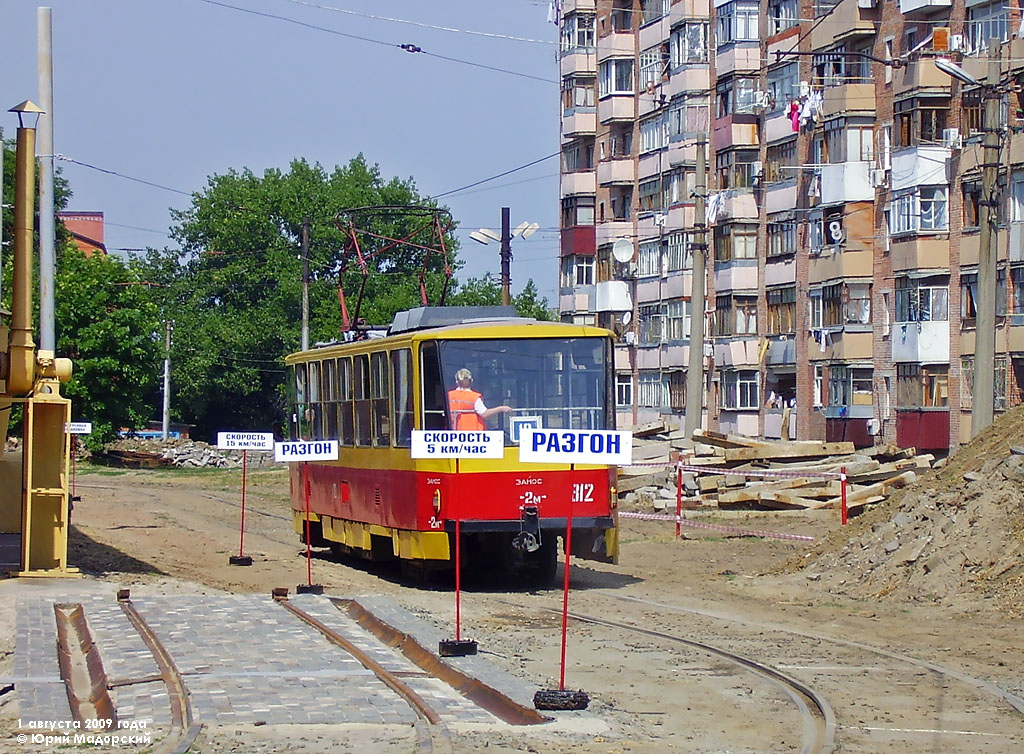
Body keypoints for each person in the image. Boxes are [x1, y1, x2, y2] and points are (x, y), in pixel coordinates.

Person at [447, 368, 512, 430]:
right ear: (472, 381)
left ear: (456, 382)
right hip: (472, 436)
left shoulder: (449, 395)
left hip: (452, 434)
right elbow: (484, 414)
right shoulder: (474, 397)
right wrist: (501, 408)